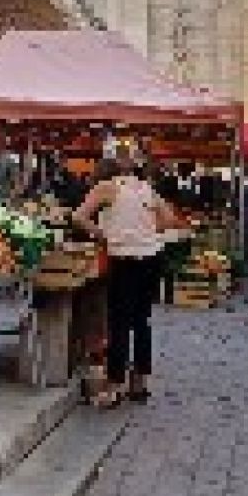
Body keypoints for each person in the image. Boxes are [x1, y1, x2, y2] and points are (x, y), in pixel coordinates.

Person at [73, 146, 178, 406]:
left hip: (124, 259)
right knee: (142, 321)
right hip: (151, 258)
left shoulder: (107, 187)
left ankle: (114, 387)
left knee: (119, 322)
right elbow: (169, 219)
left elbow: (78, 216)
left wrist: (104, 234)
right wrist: (144, 231)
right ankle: (140, 384)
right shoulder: (146, 189)